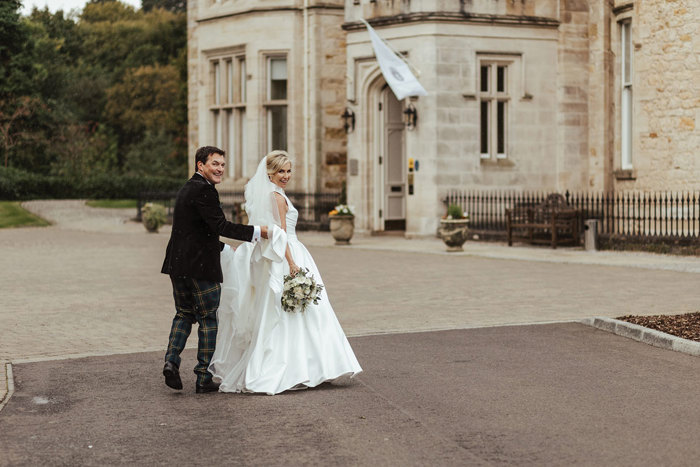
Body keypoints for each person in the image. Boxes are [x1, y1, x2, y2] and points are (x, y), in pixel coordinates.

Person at [209, 151, 362, 394]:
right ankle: (303, 366)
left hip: (283, 252)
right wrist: (292, 264)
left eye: (289, 171)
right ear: (269, 172)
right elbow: (279, 233)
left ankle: (308, 365)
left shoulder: (271, 194)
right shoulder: (276, 196)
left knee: (290, 311)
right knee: (298, 311)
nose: (286, 176)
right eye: (281, 171)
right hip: (287, 253)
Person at [161, 146, 268, 394]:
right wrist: (256, 232)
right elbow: (220, 225)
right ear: (200, 165)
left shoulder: (187, 188)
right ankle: (203, 377)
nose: (220, 169)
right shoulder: (205, 191)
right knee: (209, 319)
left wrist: (221, 247)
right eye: (215, 164)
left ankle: (171, 360)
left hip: (178, 264)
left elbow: (196, 230)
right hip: (200, 267)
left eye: (222, 164)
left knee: (184, 314)